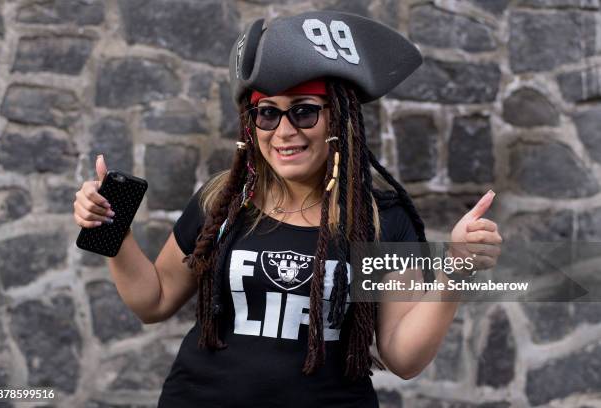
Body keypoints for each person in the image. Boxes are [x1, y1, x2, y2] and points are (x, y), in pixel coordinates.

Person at [73, 10, 502, 408]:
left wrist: (455, 272)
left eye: (304, 112)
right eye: (267, 114)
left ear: (341, 119)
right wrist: (112, 229)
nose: (283, 131)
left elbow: (402, 357)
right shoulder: (224, 201)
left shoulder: (378, 220)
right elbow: (155, 301)